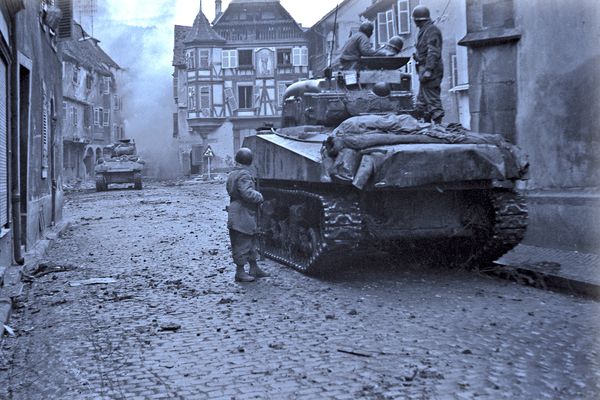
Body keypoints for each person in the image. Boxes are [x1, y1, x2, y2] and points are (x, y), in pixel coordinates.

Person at [226, 147, 269, 282]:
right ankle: (240, 272)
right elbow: (247, 193)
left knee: (251, 239)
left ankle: (254, 267)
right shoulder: (244, 174)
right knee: (242, 241)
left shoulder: (233, 173)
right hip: (242, 212)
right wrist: (259, 196)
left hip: (238, 210)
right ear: (249, 161)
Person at [412, 5, 445, 124]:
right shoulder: (423, 30)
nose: (414, 23)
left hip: (431, 70)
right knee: (422, 101)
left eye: (415, 20)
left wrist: (429, 70)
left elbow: (433, 51)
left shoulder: (432, 30)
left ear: (418, 20)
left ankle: (438, 126)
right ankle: (426, 126)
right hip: (424, 69)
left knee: (432, 98)